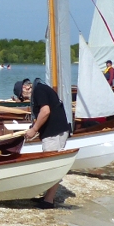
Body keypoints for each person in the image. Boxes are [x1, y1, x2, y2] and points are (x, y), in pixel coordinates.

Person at [22, 79, 71, 209]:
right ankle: (47, 197)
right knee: (51, 164)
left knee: (52, 165)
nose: (25, 99)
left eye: (23, 96)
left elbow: (45, 111)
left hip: (55, 133)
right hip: (54, 132)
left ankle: (49, 201)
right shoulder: (41, 88)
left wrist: (34, 129)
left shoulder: (39, 90)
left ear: (25, 88)